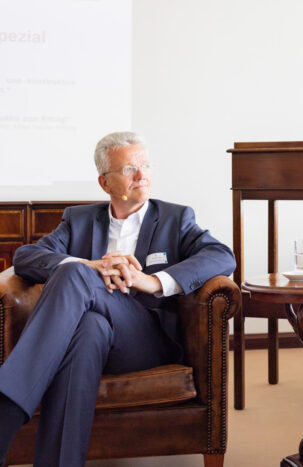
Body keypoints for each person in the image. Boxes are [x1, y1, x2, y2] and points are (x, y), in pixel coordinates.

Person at [0, 132, 236, 466]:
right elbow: (27, 256)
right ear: (105, 182)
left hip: (144, 339)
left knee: (74, 275)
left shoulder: (175, 219)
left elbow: (221, 255)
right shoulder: (79, 220)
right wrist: (91, 266)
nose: (142, 175)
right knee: (89, 327)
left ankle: (7, 407)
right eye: (129, 169)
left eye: (145, 165)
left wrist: (152, 281)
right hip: (93, 337)